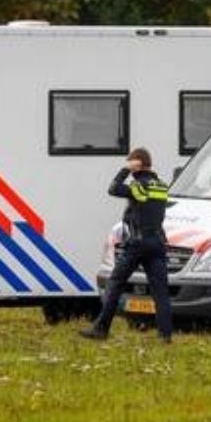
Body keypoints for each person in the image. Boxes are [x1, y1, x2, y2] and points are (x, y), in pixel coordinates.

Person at [80, 147, 173, 342]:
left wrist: (126, 170)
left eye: (131, 162)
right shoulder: (162, 186)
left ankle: (101, 329)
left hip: (137, 244)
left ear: (137, 164)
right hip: (157, 243)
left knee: (115, 283)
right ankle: (165, 336)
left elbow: (113, 188)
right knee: (160, 291)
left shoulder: (139, 186)